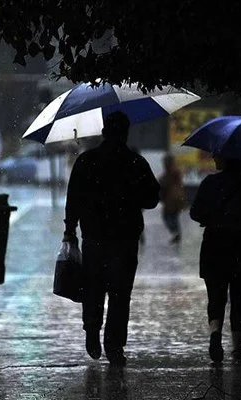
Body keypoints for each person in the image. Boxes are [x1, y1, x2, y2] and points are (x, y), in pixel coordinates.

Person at [62, 111, 160, 366]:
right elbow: (151, 198)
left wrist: (70, 229)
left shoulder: (86, 161)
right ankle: (114, 345)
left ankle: (92, 331)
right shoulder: (136, 163)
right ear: (126, 133)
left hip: (94, 238)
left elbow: (73, 199)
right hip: (125, 241)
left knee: (93, 288)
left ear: (104, 132)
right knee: (120, 294)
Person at [189, 154, 241, 363]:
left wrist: (213, 217)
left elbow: (195, 213)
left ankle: (215, 333)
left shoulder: (209, 183)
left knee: (216, 295)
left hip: (215, 244)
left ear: (223, 161)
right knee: (239, 298)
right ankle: (237, 347)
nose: (214, 157)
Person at [158, 153, 186, 244]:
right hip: (177, 198)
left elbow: (165, 182)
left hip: (172, 199)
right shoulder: (175, 171)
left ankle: (176, 233)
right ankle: (177, 234)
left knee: (167, 217)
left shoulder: (171, 172)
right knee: (174, 218)